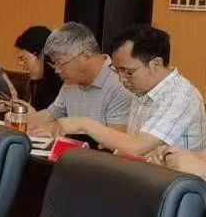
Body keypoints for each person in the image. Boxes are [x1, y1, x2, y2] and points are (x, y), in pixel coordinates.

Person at [52, 25, 204, 156]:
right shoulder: (143, 90)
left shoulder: (181, 96)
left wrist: (84, 124)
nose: (122, 79)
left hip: (175, 180)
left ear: (156, 64)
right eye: (118, 71)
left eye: (128, 72)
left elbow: (137, 147)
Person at [24, 22, 132, 134]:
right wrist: (20, 118)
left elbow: (115, 138)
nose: (57, 70)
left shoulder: (121, 84)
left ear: (85, 55)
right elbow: (51, 114)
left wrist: (56, 130)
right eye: (55, 64)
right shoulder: (71, 82)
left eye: (60, 63)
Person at [3, 25, 62, 112]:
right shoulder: (34, 84)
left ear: (41, 54)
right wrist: (8, 109)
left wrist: (34, 115)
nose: (21, 64)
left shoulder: (66, 84)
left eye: (24, 59)